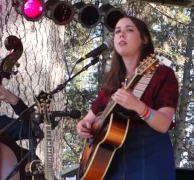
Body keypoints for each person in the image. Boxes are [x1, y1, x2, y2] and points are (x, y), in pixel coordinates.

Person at [76, 16, 179, 179]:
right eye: (117, 32)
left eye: (129, 30)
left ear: (144, 39)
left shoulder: (162, 74)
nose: (121, 35)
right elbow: (87, 120)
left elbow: (164, 124)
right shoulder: (112, 83)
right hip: (110, 161)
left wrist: (138, 106)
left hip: (148, 156)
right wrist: (83, 126)